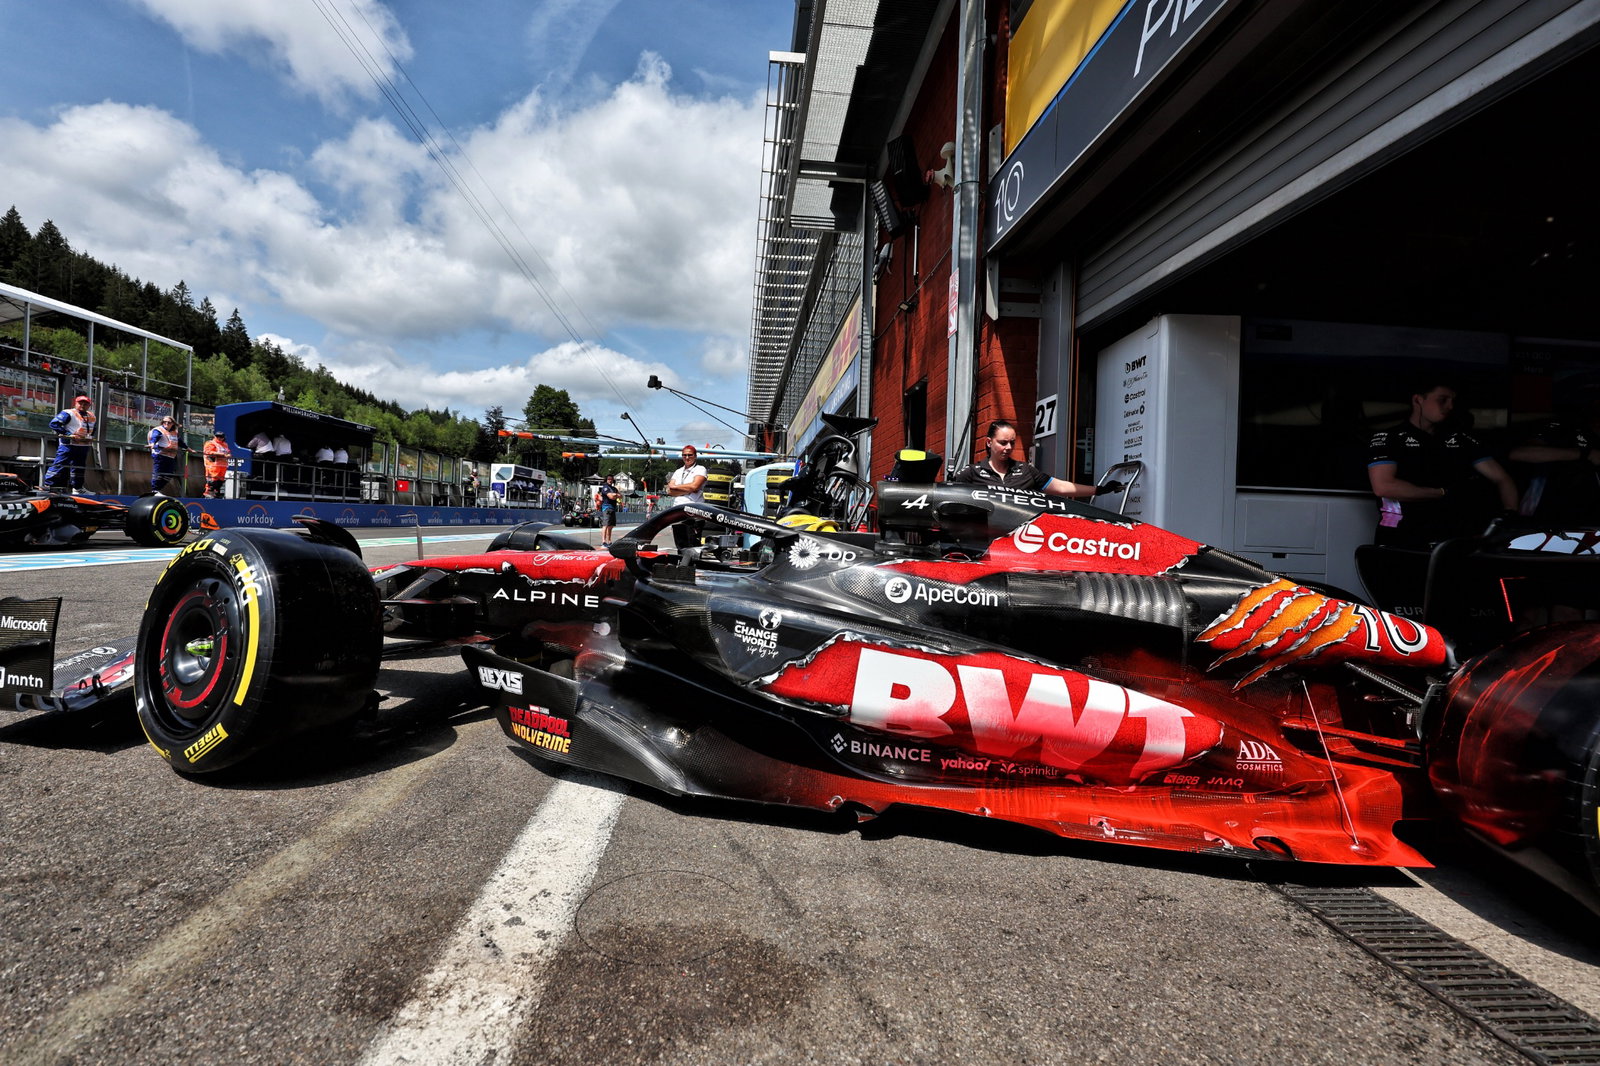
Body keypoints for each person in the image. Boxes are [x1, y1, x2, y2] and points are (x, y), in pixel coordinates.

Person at [1366, 381, 1519, 548]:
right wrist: (1443, 492)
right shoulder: (1389, 438)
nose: (1450, 406)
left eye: (1453, 400)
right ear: (1418, 400)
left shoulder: (1461, 439)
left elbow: (1501, 478)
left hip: (1451, 537)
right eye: (1442, 399)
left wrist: (1508, 516)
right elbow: (1383, 487)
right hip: (1401, 536)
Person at [948, 420, 1118, 498]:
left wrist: (1098, 490)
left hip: (1020, 543)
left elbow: (1059, 487)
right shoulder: (971, 472)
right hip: (983, 544)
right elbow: (948, 496)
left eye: (1012, 443)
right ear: (988, 442)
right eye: (1002, 442)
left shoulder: (1025, 470)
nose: (1008, 447)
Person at [1507, 397, 1600, 524]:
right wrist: (1586, 454)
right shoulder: (1565, 428)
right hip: (1546, 520)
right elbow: (1520, 453)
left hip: (1592, 521)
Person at [45, 394, 96, 492]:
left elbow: (94, 428)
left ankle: (78, 488)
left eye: (85, 404)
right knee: (60, 463)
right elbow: (54, 424)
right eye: (80, 403)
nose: (83, 405)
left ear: (89, 405)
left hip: (84, 445)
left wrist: (90, 437)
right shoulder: (68, 413)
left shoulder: (92, 415)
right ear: (75, 403)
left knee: (79, 467)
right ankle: (48, 485)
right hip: (68, 444)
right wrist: (68, 434)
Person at [665, 446, 708, 548]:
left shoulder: (700, 469)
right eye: (684, 455)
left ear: (695, 456)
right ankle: (682, 563)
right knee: (680, 545)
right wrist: (687, 490)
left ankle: (693, 563)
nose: (687, 457)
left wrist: (677, 488)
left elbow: (695, 486)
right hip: (678, 512)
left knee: (693, 546)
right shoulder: (678, 471)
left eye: (690, 455)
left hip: (693, 513)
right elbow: (670, 490)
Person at [148, 414, 194, 495]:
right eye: (164, 422)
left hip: (171, 456)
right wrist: (152, 443)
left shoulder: (174, 433)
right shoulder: (159, 430)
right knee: (158, 473)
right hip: (160, 454)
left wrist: (188, 448)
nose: (166, 423)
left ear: (172, 423)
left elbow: (179, 441)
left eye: (168, 422)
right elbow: (155, 437)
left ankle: (158, 489)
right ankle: (155, 490)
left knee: (169, 474)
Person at [202, 430, 232, 498]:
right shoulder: (211, 443)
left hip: (223, 466)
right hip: (213, 465)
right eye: (218, 436)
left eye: (221, 437)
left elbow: (228, 452)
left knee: (220, 481)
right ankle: (208, 493)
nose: (219, 438)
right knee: (212, 481)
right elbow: (208, 452)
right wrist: (223, 455)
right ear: (215, 436)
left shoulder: (225, 444)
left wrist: (229, 455)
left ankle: (216, 493)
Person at [597, 474, 622, 546]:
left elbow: (620, 496)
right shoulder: (605, 487)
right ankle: (604, 541)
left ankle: (609, 541)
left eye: (611, 479)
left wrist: (615, 495)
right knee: (606, 525)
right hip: (606, 507)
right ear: (606, 479)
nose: (610, 480)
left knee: (611, 526)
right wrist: (615, 495)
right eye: (608, 479)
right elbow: (611, 497)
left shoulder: (614, 488)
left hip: (613, 507)